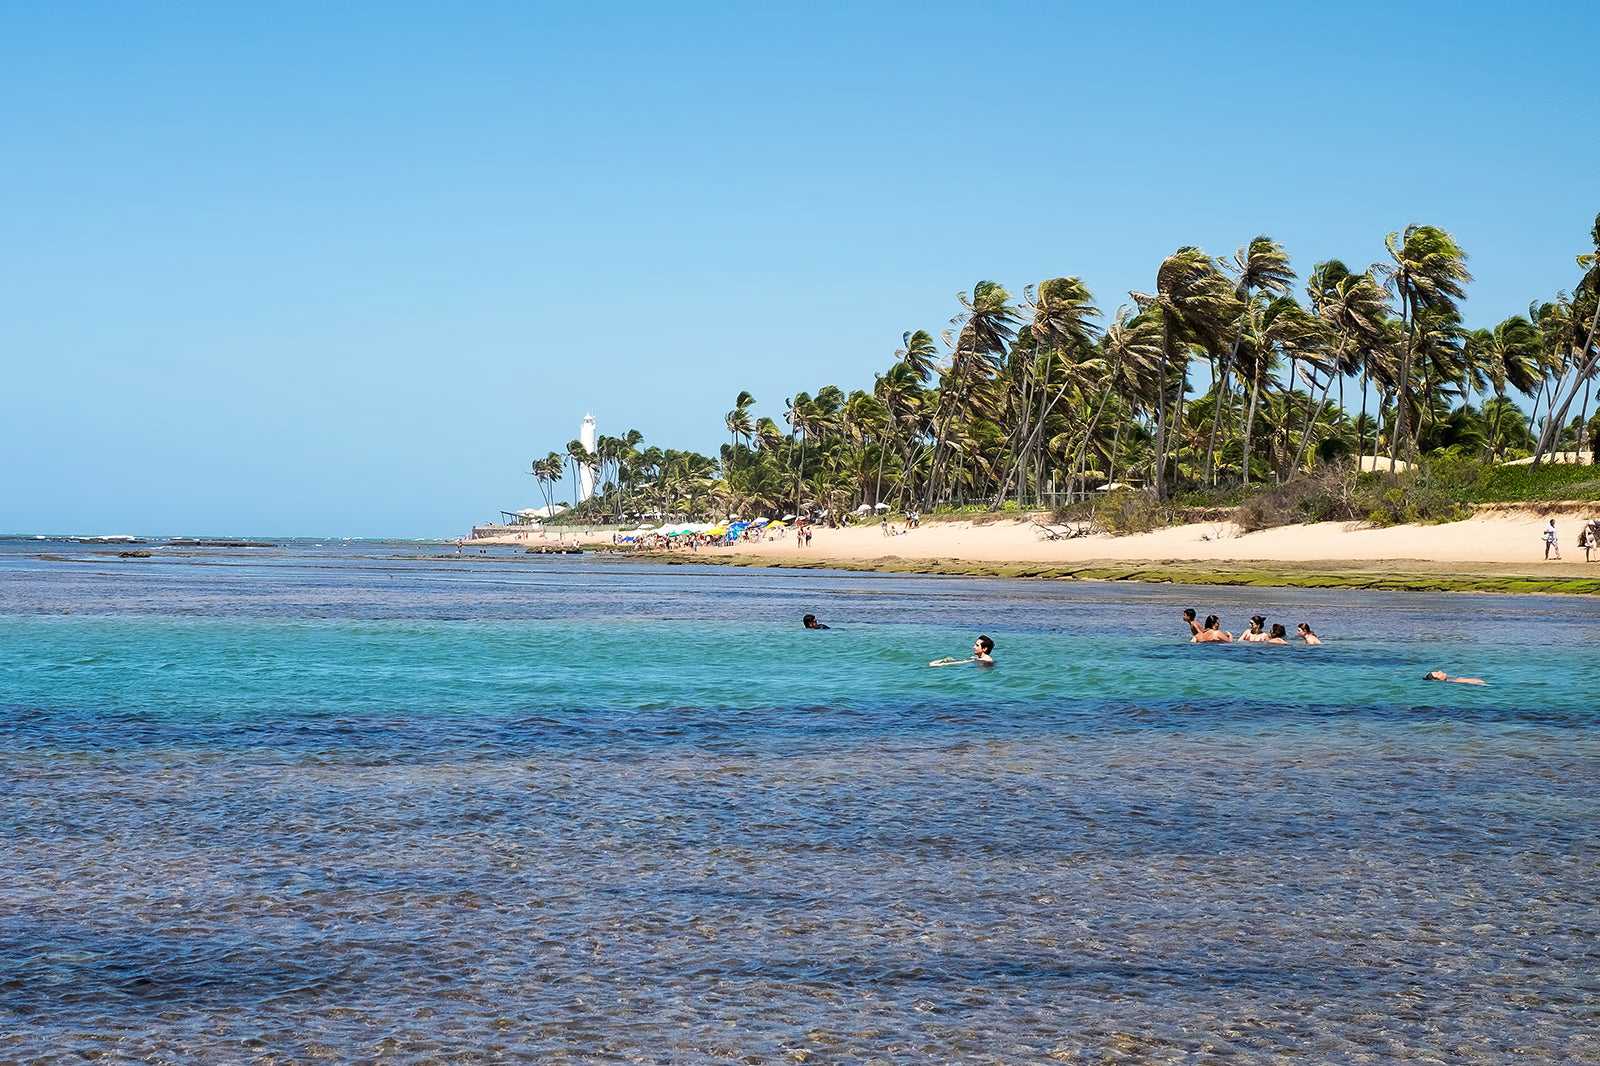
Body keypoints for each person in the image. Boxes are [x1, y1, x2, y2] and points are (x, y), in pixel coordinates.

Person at [929, 634, 995, 667]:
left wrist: (942, 665)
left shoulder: (986, 660)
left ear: (984, 649)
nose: (973, 647)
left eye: (977, 645)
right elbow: (964, 661)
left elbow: (962, 663)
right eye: (975, 644)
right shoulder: (977, 657)